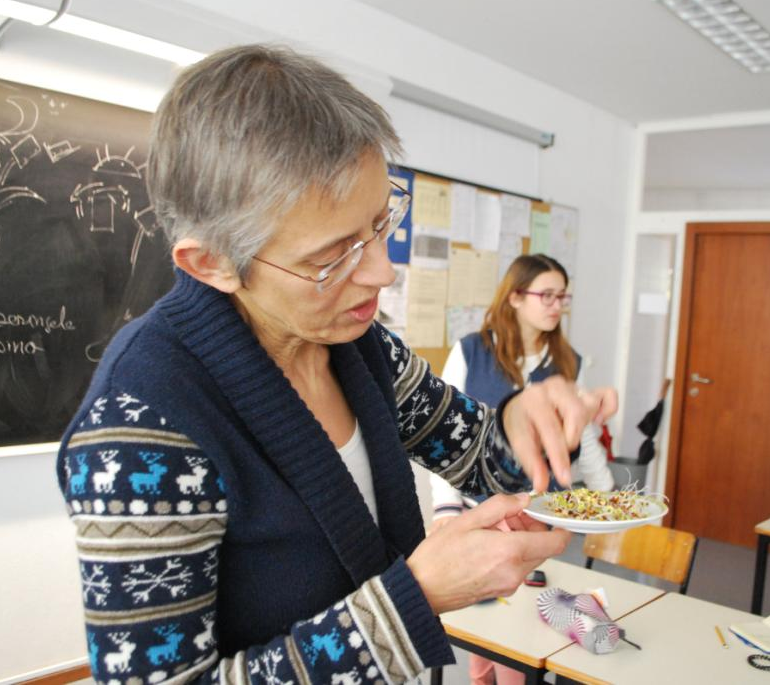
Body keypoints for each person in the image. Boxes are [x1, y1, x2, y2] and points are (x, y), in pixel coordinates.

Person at [55, 45, 618, 685]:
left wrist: (525, 421)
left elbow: (493, 466)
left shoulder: (360, 344)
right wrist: (416, 599)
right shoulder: (141, 422)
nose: (382, 271)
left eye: (380, 224)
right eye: (334, 255)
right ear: (210, 263)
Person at [429, 253, 614, 685]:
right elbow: (443, 443)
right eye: (546, 295)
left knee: (521, 640)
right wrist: (446, 511)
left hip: (538, 519)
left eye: (562, 297)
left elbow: (580, 436)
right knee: (481, 642)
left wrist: (607, 498)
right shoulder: (471, 351)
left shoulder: (569, 360)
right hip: (479, 516)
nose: (555, 305)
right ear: (514, 296)